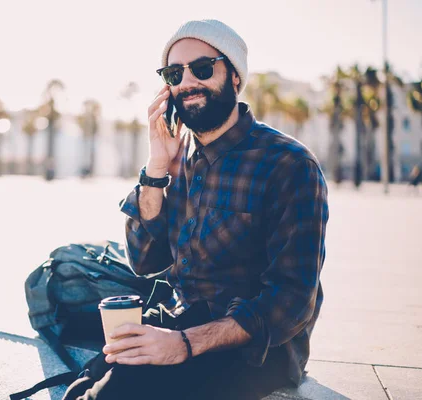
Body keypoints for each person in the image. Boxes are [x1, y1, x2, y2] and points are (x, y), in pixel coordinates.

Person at [63, 19, 329, 400]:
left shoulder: (289, 163)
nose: (187, 82)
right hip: (184, 320)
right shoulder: (182, 156)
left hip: (257, 352)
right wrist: (156, 170)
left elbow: (291, 300)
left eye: (202, 69)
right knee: (83, 386)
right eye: (175, 73)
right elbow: (143, 260)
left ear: (234, 77)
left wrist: (183, 344)